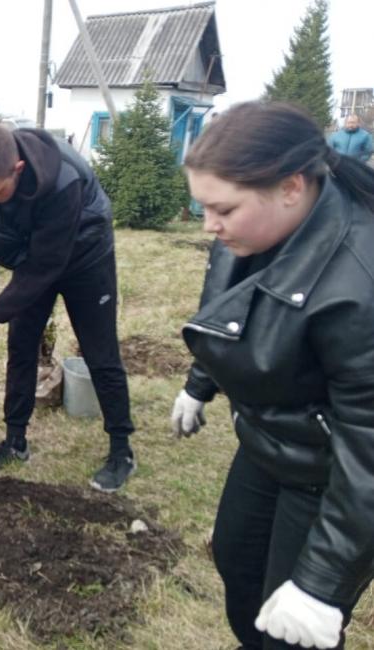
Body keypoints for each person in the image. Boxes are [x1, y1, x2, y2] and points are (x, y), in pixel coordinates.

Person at [172, 101, 374, 649]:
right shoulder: (245, 235)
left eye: (223, 210)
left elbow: (369, 446)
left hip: (333, 476)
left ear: (290, 187)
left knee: (292, 629)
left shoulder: (360, 281)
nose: (210, 226)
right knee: (239, 572)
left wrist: (321, 583)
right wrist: (198, 384)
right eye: (204, 208)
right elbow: (233, 315)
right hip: (267, 443)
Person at [0, 123, 136, 492]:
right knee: (21, 346)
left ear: (18, 170)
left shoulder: (62, 183)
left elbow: (43, 268)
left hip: (85, 254)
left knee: (99, 352)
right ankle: (15, 441)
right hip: (34, 248)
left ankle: (122, 450)